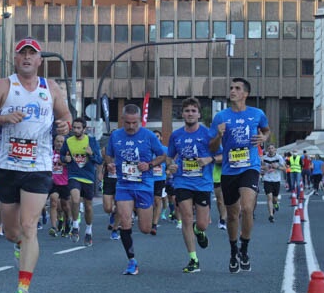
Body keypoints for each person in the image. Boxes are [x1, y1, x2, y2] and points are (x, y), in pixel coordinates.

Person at [0, 38, 70, 293]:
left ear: (40, 60)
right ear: (15, 59)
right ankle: (18, 244)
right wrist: (4, 118)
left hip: (38, 168)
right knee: (12, 232)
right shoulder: (4, 86)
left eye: (32, 54)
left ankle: (22, 292)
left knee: (29, 226)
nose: (27, 58)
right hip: (7, 167)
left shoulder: (50, 88)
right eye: (22, 54)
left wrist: (64, 124)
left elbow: (65, 116)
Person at [209, 78, 270, 273]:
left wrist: (264, 138)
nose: (232, 91)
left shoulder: (257, 114)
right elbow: (211, 148)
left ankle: (245, 247)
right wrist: (218, 136)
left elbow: (266, 129)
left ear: (245, 94)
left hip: (249, 167)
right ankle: (233, 249)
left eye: (237, 88)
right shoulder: (220, 117)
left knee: (247, 208)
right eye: (231, 88)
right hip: (229, 170)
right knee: (233, 215)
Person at [105, 104, 168, 275]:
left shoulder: (148, 136)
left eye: (134, 123)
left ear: (140, 121)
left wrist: (149, 164)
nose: (131, 126)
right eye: (128, 123)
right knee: (125, 222)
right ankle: (132, 261)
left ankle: (139, 212)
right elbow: (108, 154)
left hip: (144, 184)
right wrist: (110, 163)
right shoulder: (116, 135)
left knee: (145, 229)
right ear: (122, 121)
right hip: (124, 184)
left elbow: (163, 156)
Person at [167, 97, 218, 273]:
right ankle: (193, 259)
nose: (190, 114)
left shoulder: (208, 134)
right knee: (186, 218)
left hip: (203, 183)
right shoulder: (176, 135)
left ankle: (199, 230)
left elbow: (222, 155)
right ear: (182, 114)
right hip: (182, 181)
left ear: (199, 114)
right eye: (187, 111)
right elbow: (170, 156)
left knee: (202, 223)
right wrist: (171, 166)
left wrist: (209, 159)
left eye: (193, 111)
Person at [61, 117, 102, 245]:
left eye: (79, 128)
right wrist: (65, 159)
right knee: (75, 199)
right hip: (74, 175)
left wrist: (91, 154)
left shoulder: (91, 141)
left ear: (84, 129)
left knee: (88, 207)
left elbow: (99, 160)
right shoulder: (68, 141)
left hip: (88, 177)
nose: (76, 130)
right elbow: (62, 156)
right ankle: (75, 225)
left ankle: (89, 231)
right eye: (74, 128)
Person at [261, 144, 284, 223]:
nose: (270, 149)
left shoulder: (279, 157)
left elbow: (285, 168)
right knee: (269, 197)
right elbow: (260, 167)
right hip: (267, 180)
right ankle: (271, 215)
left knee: (274, 199)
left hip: (276, 180)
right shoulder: (264, 158)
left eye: (272, 148)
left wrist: (277, 167)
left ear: (275, 150)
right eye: (269, 148)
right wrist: (264, 168)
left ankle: (276, 204)